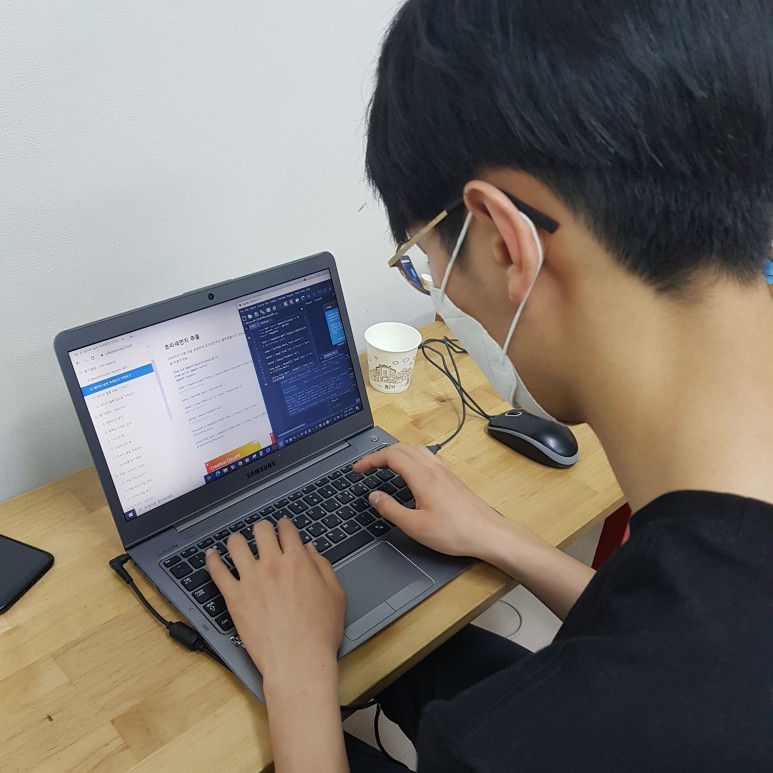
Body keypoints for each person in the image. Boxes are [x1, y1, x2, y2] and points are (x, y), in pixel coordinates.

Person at [205, 1, 773, 770]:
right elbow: (667, 621)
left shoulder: (529, 741)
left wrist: (298, 668)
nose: (439, 292)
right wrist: (496, 534)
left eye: (425, 265)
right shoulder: (712, 582)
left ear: (505, 241)